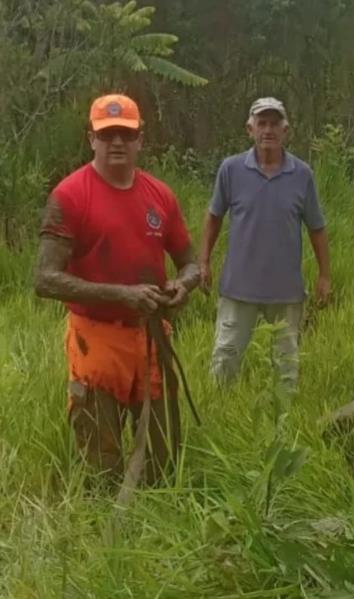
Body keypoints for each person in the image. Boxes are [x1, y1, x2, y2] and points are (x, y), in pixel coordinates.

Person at [34, 94, 200, 485]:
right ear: (91, 138)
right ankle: (100, 531)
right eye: (107, 135)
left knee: (164, 459)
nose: (117, 143)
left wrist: (184, 284)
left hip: (152, 340)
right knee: (101, 461)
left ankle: (160, 521)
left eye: (125, 133)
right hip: (96, 342)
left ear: (141, 138)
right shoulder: (70, 196)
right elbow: (45, 279)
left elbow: (191, 262)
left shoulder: (160, 195)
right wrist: (121, 295)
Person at [200, 97, 331, 389]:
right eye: (262, 123)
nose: (268, 130)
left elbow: (317, 228)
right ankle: (217, 413)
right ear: (250, 129)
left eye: (275, 124)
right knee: (225, 359)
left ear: (286, 131)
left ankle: (283, 421)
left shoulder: (302, 174)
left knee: (286, 367)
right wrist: (204, 261)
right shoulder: (231, 170)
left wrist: (324, 275)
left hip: (285, 290)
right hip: (238, 287)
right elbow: (214, 216)